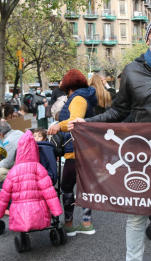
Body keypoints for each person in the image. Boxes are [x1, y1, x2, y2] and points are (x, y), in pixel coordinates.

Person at [67, 23, 151, 261]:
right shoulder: (132, 71)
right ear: (147, 39)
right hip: (141, 154)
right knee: (136, 216)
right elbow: (118, 112)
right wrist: (86, 123)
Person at [47, 69, 97, 237]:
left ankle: (70, 224)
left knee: (67, 186)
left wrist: (57, 126)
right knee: (85, 187)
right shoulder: (84, 97)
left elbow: (74, 121)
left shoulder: (77, 98)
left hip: (76, 150)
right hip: (86, 149)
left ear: (68, 82)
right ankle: (86, 223)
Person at [0, 130, 63, 232]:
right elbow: (49, 193)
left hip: (19, 213)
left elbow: (4, 196)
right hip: (39, 211)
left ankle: (23, 237)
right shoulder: (39, 169)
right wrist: (56, 210)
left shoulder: (13, 171)